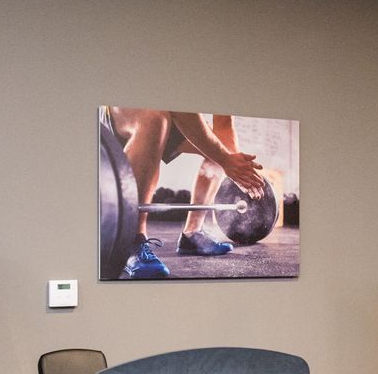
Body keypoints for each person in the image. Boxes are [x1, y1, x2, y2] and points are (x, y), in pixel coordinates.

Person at [105, 109, 266, 279]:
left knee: (222, 145)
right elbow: (177, 110)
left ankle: (192, 234)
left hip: (171, 115)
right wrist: (225, 160)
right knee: (155, 118)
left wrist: (236, 168)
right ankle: (132, 241)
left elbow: (224, 126)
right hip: (123, 110)